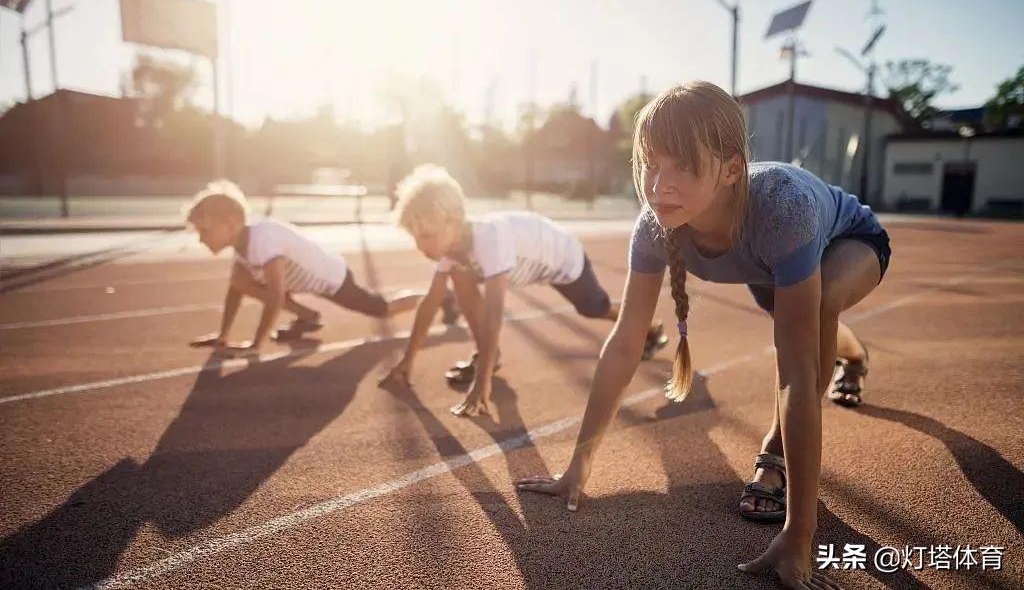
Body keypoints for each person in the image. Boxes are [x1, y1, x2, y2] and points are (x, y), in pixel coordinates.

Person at [516, 81, 891, 590]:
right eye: (652, 163)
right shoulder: (654, 226)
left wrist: (800, 534)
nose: (660, 185)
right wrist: (576, 466)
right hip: (772, 270)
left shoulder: (784, 210)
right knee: (802, 317)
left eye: (685, 166)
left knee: (815, 314)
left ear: (732, 168)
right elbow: (625, 342)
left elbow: (797, 374)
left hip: (850, 241)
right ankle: (855, 355)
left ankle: (775, 451)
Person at [379, 164, 669, 416]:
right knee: (460, 277)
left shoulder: (488, 239)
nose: (421, 246)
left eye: (426, 235)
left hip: (562, 259)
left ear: (453, 220)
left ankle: (649, 329)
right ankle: (488, 356)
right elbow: (430, 304)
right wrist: (407, 361)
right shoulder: (451, 250)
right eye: (415, 238)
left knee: (593, 308)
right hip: (528, 261)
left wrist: (482, 383)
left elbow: (494, 314)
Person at [184, 180, 443, 357]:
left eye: (205, 230)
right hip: (303, 282)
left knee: (383, 310)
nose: (200, 238)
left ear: (230, 224)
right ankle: (307, 316)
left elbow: (275, 295)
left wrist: (255, 345)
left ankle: (442, 298)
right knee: (240, 281)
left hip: (332, 278)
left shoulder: (262, 239)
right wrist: (222, 335)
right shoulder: (242, 246)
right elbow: (235, 291)